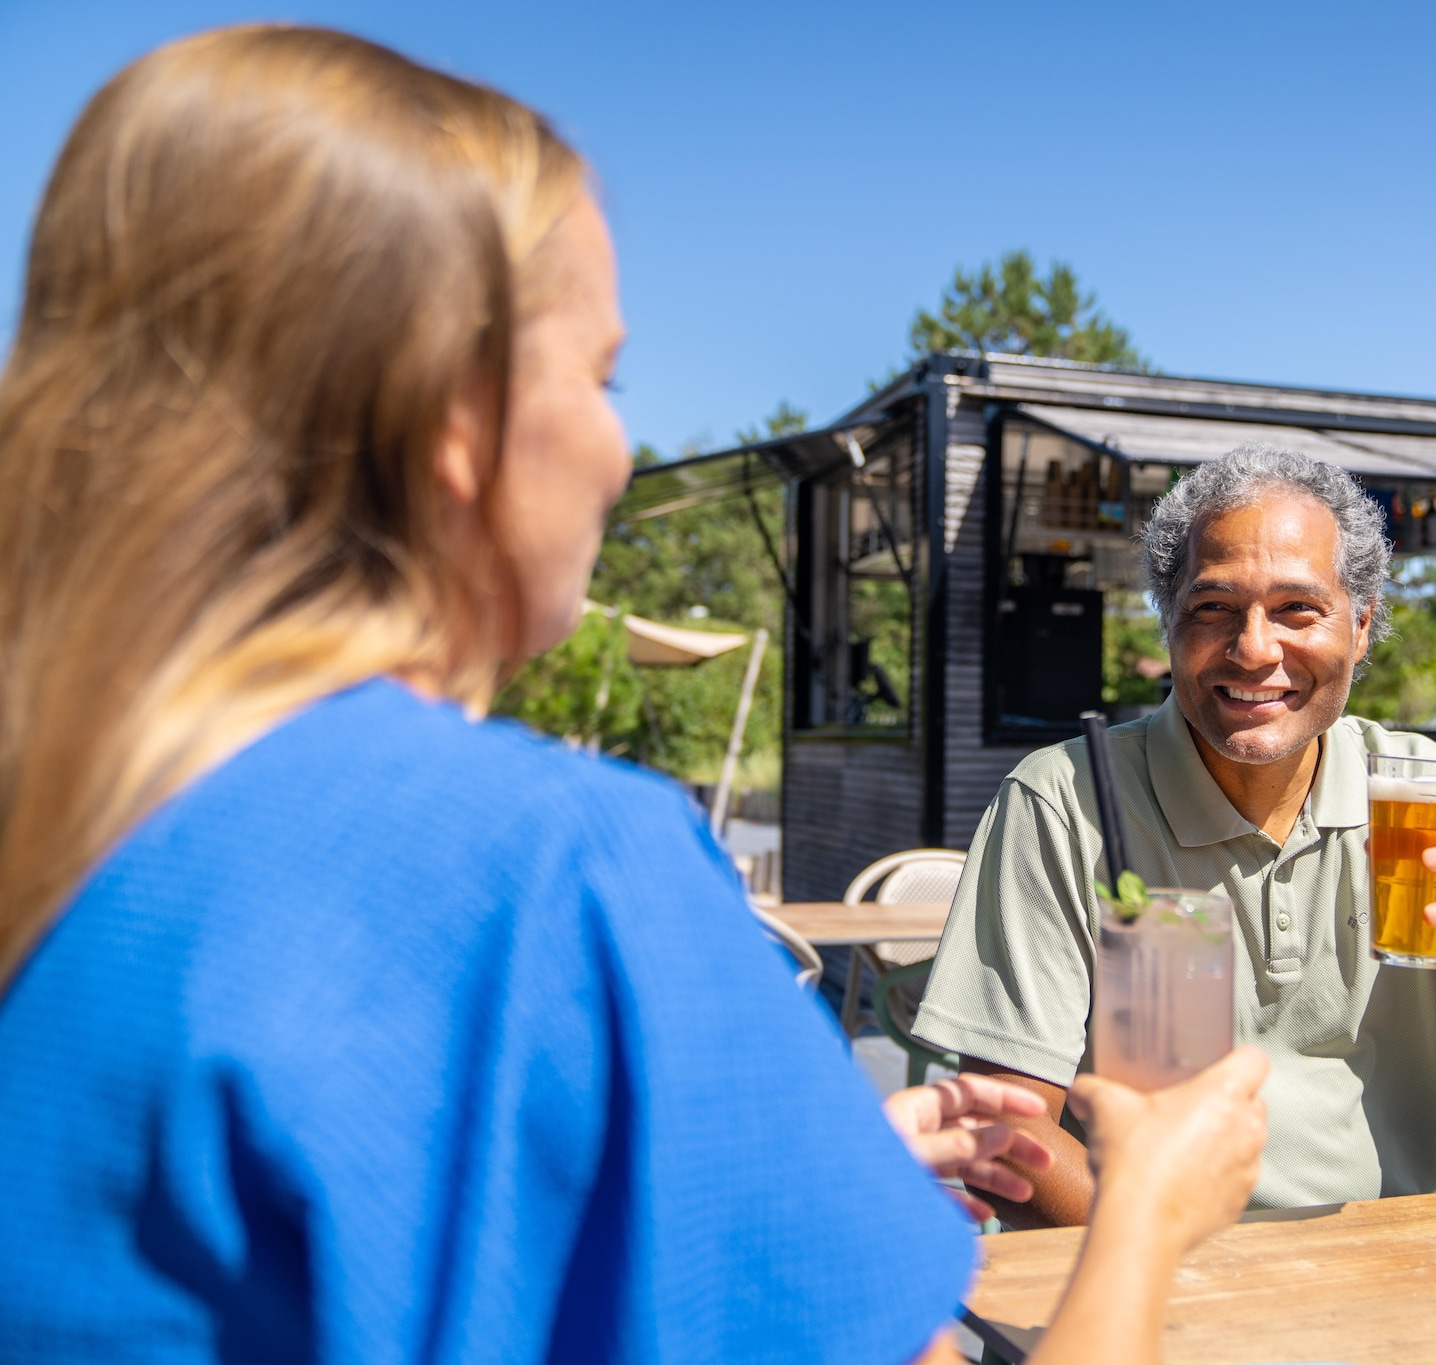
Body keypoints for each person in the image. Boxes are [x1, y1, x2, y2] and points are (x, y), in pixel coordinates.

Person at [0, 27, 1267, 1364]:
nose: (616, 452)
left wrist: (786, 1176)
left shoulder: (70, 821)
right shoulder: (561, 869)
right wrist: (1152, 1208)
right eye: (600, 378)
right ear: (454, 421)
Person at [912, 445, 1436, 1226]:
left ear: (1359, 626)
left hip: (1409, 1268)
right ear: (1170, 623)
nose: (1255, 648)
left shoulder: (1417, 789)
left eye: (1298, 608)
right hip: (1165, 1283)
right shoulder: (1068, 802)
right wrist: (1172, 1259)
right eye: (1214, 607)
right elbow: (1002, 1128)